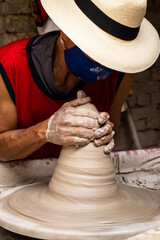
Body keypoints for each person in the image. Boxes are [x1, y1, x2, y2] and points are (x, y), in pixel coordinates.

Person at [0, 0, 159, 162]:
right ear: (66, 34)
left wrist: (104, 135)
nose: (105, 63)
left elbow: (112, 131)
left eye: (114, 55)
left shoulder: (120, 73)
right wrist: (44, 131)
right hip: (22, 177)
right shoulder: (10, 66)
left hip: (82, 178)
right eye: (99, 50)